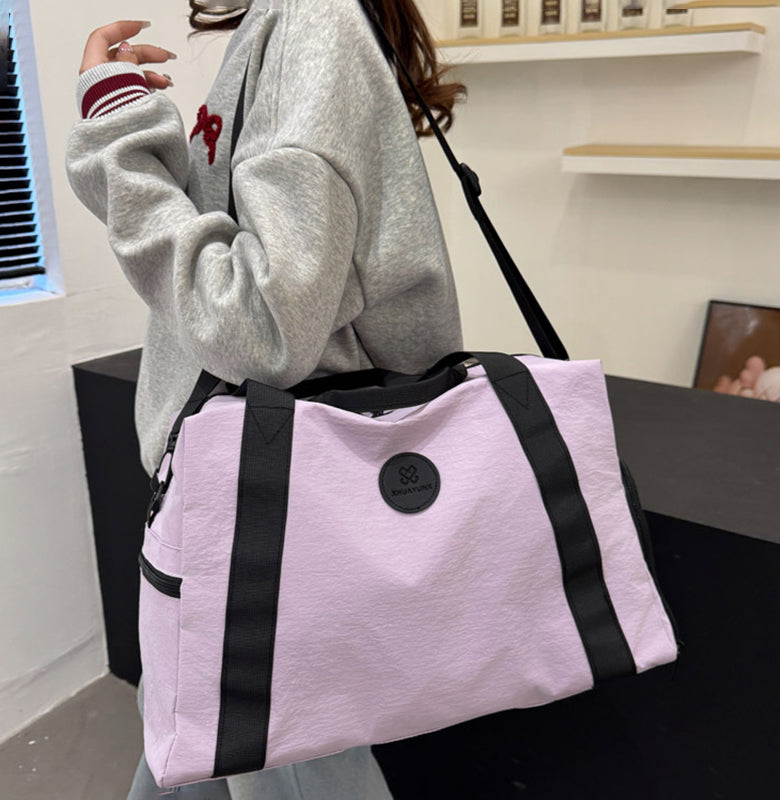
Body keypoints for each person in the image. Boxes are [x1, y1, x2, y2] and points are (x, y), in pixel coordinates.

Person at [65, 0, 465, 797]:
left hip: (280, 510)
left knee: (278, 762)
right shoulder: (281, 27)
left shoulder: (312, 24)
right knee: (192, 749)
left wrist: (117, 142)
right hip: (246, 495)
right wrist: (136, 129)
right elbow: (247, 260)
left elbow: (259, 325)